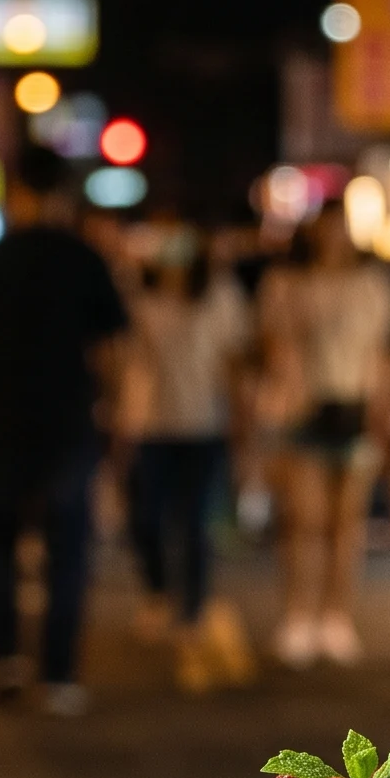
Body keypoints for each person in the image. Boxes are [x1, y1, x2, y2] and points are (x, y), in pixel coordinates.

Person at [0, 149, 129, 715]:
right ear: (63, 195)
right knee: (67, 546)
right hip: (69, 420)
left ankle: (4, 658)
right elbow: (111, 348)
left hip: (2, 416)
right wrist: (116, 412)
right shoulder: (84, 259)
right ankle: (58, 673)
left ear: (18, 192)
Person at [256, 198, 390, 667]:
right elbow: (272, 345)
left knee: (347, 523)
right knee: (304, 519)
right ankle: (298, 614)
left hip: (355, 409)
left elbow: (383, 352)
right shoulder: (286, 282)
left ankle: (336, 616)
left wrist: (383, 410)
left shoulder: (373, 284)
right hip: (303, 409)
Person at [121, 224, 253, 693]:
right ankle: (159, 591)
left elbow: (234, 361)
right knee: (146, 517)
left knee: (194, 521)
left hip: (203, 425)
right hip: (149, 424)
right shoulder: (140, 302)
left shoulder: (220, 297)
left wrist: (241, 421)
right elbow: (122, 361)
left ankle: (192, 608)